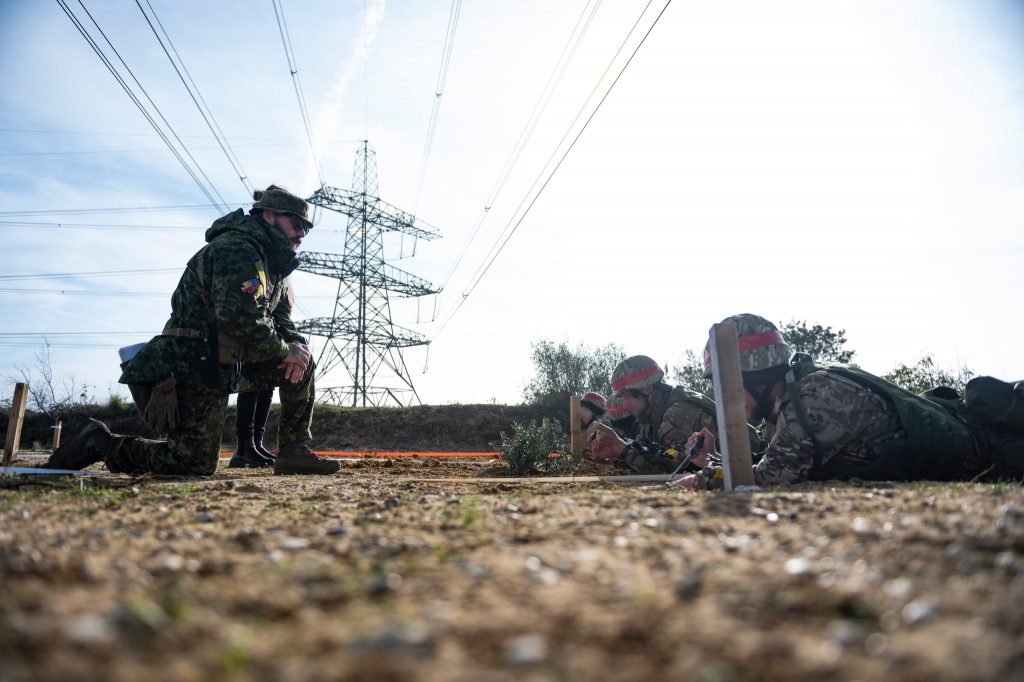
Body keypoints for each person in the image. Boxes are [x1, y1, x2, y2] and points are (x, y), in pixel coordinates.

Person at [47, 185, 339, 476]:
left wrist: (295, 344)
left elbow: (277, 315)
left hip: (226, 360)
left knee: (302, 358)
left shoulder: (270, 263)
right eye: (296, 224)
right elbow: (238, 317)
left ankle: (292, 451)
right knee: (191, 463)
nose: (301, 233)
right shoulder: (238, 249)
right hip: (191, 361)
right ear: (269, 215)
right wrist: (284, 350)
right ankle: (100, 443)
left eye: (306, 228)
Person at [677, 313, 1024, 490]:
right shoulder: (802, 392)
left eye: (730, 388)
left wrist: (703, 478)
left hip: (998, 463)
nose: (727, 400)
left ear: (756, 379)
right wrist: (716, 460)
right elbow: (789, 460)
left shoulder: (813, 398)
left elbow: (768, 477)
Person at [586, 355, 719, 474]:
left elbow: (670, 470)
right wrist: (614, 455)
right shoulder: (649, 414)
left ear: (646, 388)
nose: (625, 405)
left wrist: (618, 446)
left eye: (628, 397)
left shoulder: (678, 412)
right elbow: (648, 458)